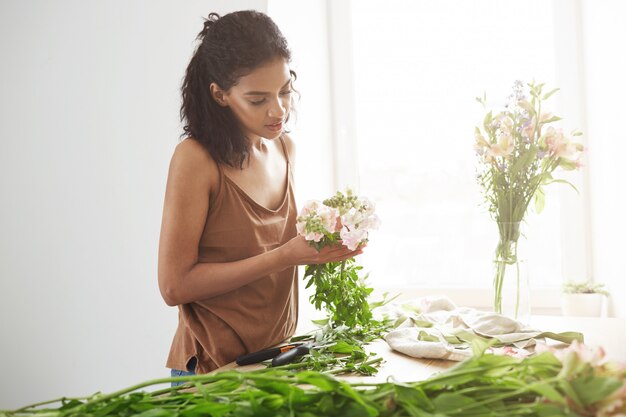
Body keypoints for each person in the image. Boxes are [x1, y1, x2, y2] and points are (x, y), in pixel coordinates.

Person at [157, 10, 364, 385]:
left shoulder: (284, 148)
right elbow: (174, 286)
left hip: (277, 360)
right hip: (211, 371)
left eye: (284, 90)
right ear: (220, 94)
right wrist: (286, 256)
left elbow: (266, 246)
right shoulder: (196, 160)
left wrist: (326, 242)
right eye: (257, 99)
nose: (278, 110)